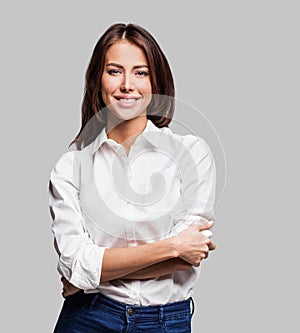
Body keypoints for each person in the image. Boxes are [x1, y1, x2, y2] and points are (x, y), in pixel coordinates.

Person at [48, 22, 216, 333]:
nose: (127, 84)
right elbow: (75, 261)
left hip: (167, 322)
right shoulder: (71, 166)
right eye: (115, 71)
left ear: (156, 82)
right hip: (89, 318)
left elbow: (189, 256)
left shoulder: (191, 154)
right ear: (98, 79)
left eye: (140, 72)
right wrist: (172, 246)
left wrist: (92, 274)